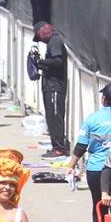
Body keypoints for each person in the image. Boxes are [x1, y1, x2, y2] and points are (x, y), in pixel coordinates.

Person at [68, 83, 111, 222]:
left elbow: (81, 146)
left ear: (104, 99)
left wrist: (71, 165)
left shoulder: (93, 118)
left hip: (96, 169)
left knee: (99, 205)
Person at [34, 22, 68, 158]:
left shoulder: (54, 41)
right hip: (51, 85)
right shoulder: (53, 41)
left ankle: (59, 148)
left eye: (39, 37)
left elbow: (58, 61)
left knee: (55, 117)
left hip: (55, 87)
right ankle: (56, 146)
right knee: (51, 117)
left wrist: (40, 62)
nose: (40, 41)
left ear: (43, 32)